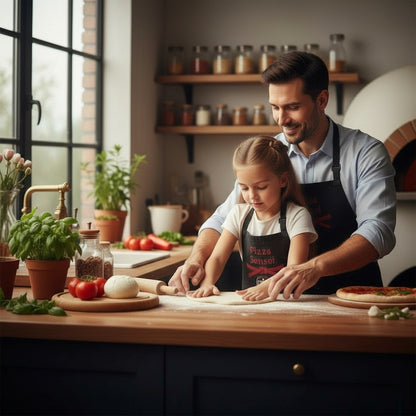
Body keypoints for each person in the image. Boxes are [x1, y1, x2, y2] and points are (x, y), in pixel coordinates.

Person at [169, 51, 396, 299]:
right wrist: (197, 256)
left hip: (353, 296)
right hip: (285, 301)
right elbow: (221, 218)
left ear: (322, 100)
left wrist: (314, 267)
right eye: (275, 107)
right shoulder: (269, 155)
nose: (281, 119)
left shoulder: (365, 152)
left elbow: (378, 231)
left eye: (293, 107)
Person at [188, 136, 317, 301]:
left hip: (288, 301)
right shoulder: (238, 214)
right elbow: (218, 258)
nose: (252, 196)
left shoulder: (297, 216)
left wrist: (264, 288)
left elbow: (294, 268)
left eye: (261, 187)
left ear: (283, 180)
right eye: (244, 188)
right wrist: (207, 283)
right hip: (250, 302)